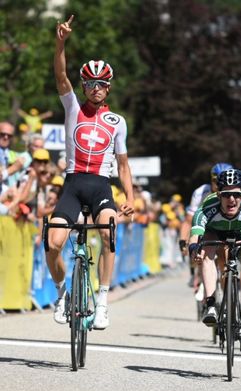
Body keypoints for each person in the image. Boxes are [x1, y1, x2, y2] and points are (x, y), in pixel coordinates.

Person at [45, 15, 135, 330]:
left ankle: (104, 301)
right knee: (52, 243)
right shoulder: (72, 107)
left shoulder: (118, 122)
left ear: (108, 87)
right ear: (84, 85)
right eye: (90, 83)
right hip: (72, 184)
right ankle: (61, 293)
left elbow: (123, 165)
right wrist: (61, 42)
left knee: (109, 232)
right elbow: (59, 75)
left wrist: (130, 197)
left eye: (102, 84)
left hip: (100, 187)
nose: (96, 88)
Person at [188, 168, 241, 347]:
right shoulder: (207, 208)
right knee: (206, 251)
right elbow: (195, 234)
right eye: (226, 194)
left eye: (236, 194)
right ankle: (210, 305)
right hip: (214, 230)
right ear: (218, 195)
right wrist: (194, 248)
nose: (231, 199)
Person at [179, 162, 233, 285]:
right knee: (194, 248)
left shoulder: (234, 193)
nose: (218, 184)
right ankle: (195, 272)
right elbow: (189, 220)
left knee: (224, 260)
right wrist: (183, 240)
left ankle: (226, 295)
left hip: (225, 226)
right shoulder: (201, 192)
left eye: (222, 180)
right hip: (205, 226)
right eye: (215, 180)